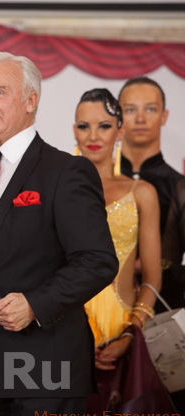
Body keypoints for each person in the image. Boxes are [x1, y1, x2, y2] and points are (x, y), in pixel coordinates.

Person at [0, 52, 118, 416]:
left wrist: (35, 304)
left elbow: (98, 260)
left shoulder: (66, 171)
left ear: (30, 100)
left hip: (46, 372)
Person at [74, 88, 161, 363]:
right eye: (84, 126)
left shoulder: (141, 193)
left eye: (104, 126)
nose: (93, 136)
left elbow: (152, 277)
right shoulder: (55, 190)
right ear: (74, 131)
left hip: (121, 327)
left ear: (120, 132)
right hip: (65, 329)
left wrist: (131, 332)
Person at [118, 77, 185, 313]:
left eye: (150, 109)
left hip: (163, 313)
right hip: (97, 311)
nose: (140, 119)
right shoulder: (95, 181)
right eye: (130, 110)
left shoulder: (179, 187)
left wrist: (154, 267)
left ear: (164, 116)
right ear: (118, 116)